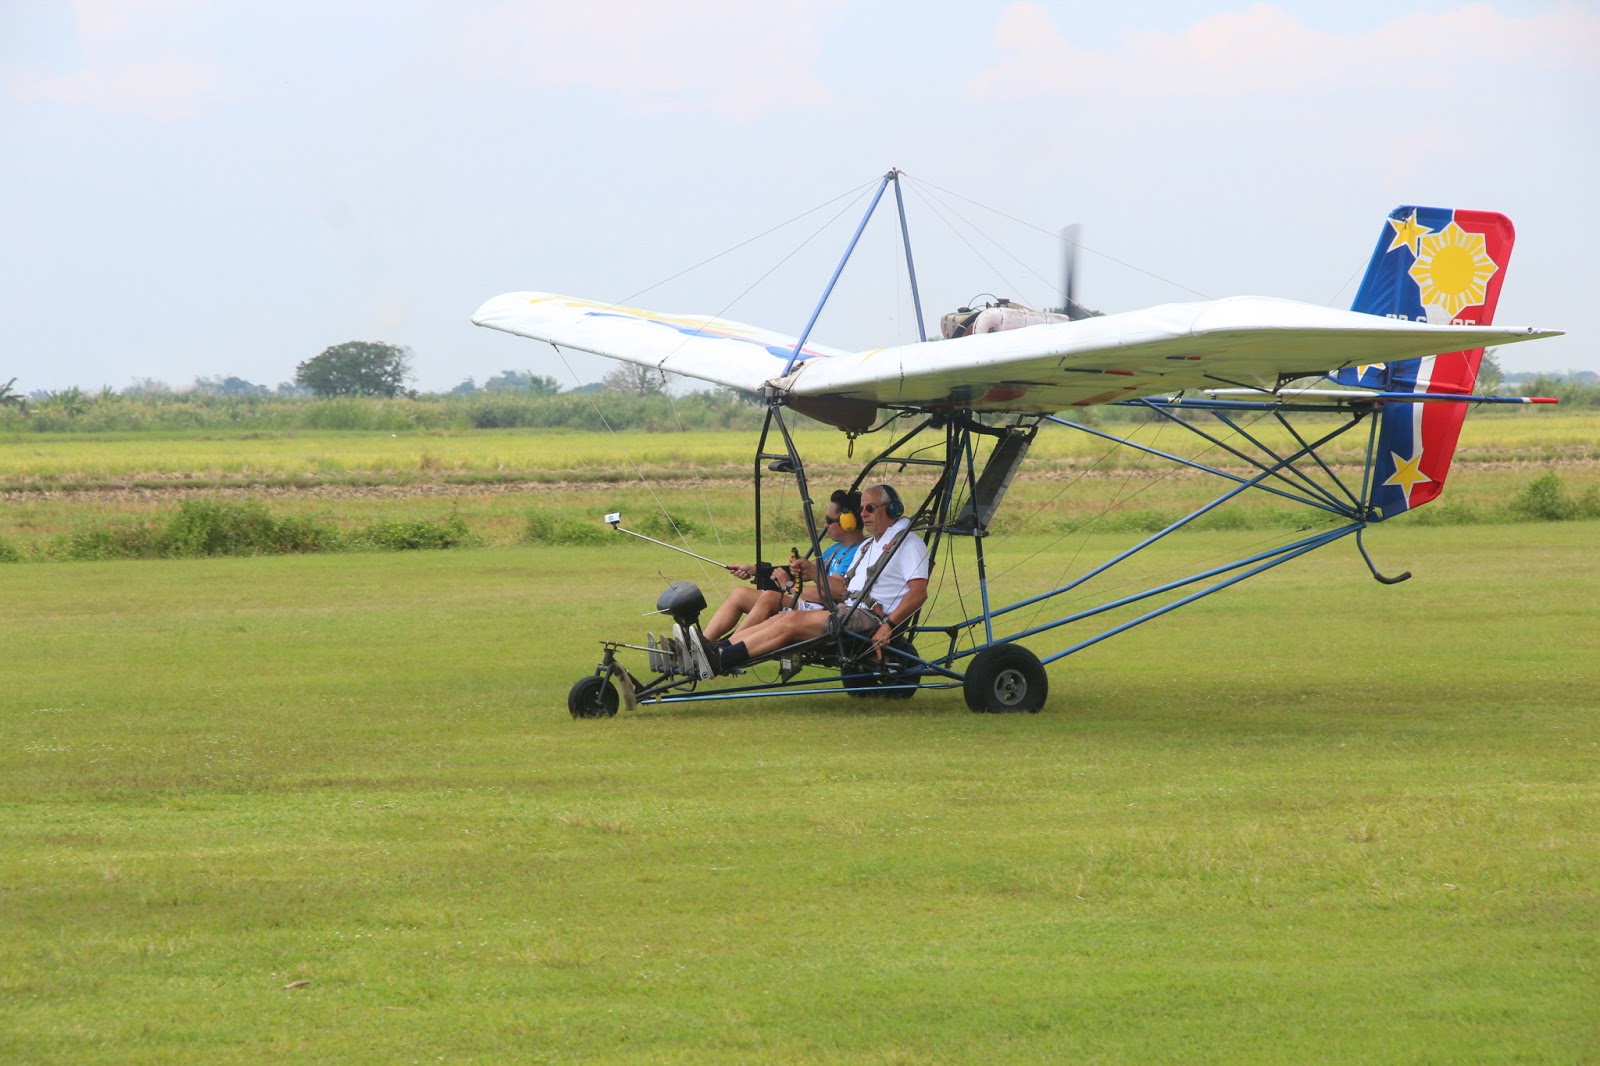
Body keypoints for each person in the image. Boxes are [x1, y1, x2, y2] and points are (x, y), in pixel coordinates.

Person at [696, 484, 929, 674]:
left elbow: (918, 593)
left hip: (870, 618)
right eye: (861, 509)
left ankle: (720, 660)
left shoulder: (908, 544)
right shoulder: (868, 545)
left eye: (870, 508)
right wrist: (810, 573)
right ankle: (715, 650)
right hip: (847, 609)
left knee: (791, 622)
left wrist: (888, 626)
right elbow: (842, 588)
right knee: (779, 618)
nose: (863, 514)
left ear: (892, 509)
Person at [702, 490, 865, 641]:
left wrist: (789, 586)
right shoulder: (836, 548)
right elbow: (804, 572)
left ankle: (727, 649)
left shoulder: (857, 552)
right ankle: (704, 644)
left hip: (826, 613)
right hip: (814, 607)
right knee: (740, 594)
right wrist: (756, 570)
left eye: (829, 520)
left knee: (770, 597)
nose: (826, 525)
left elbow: (835, 594)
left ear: (848, 522)